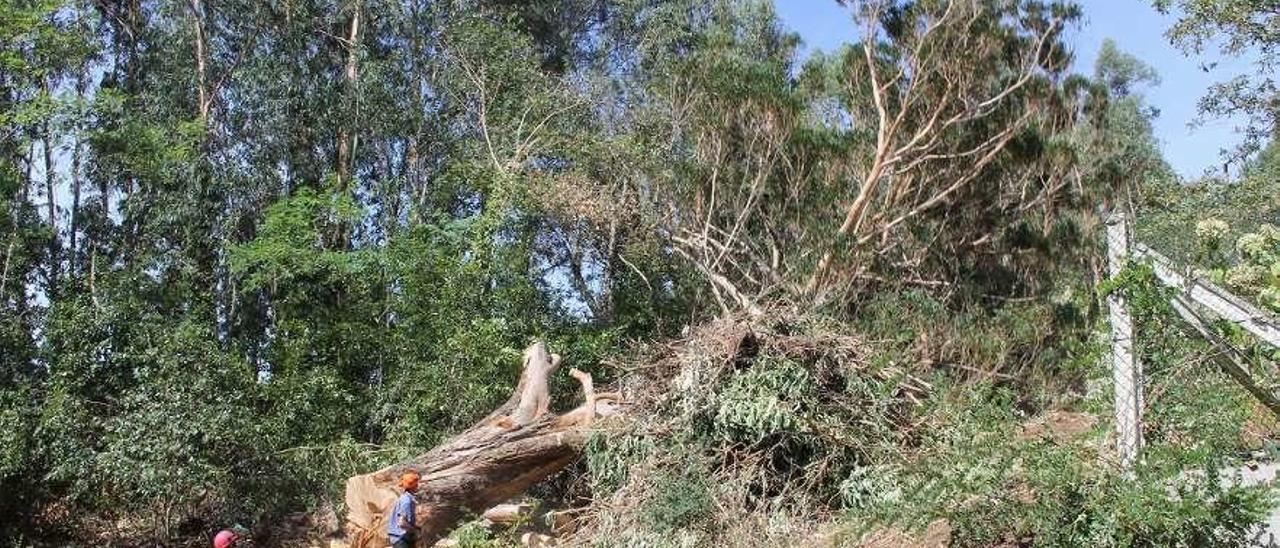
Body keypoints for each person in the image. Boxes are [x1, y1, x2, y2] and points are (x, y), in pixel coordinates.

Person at [388, 470, 421, 548]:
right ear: (413, 485)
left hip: (403, 539)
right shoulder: (407, 501)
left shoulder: (406, 498)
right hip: (401, 539)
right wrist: (415, 531)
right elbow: (402, 523)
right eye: (417, 483)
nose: (419, 485)